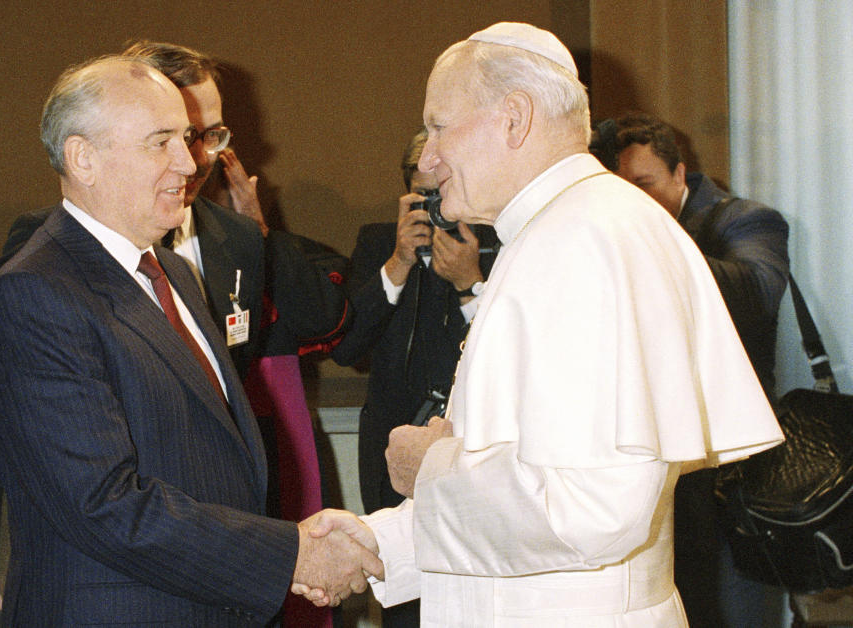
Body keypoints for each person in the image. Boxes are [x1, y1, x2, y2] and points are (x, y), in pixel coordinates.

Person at [294, 22, 783, 626]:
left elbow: (593, 509)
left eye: (440, 127)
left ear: (514, 118)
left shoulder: (586, 238)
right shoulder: (564, 228)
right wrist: (383, 544)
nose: (428, 157)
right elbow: (533, 483)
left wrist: (432, 469)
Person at [0, 54, 380, 625]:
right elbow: (103, 506)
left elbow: (202, 459)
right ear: (83, 158)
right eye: (160, 142)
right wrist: (291, 554)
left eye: (186, 139)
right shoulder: (37, 293)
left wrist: (283, 538)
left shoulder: (173, 274)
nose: (189, 162)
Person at [590, 113, 790, 627]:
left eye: (645, 186)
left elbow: (758, 292)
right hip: (646, 473)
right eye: (622, 191)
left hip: (730, 478)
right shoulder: (607, 237)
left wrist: (652, 238)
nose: (635, 201)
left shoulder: (747, 220)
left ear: (681, 175)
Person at [331, 128, 498, 627]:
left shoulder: (491, 241)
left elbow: (503, 348)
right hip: (388, 440)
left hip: (461, 445)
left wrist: (471, 283)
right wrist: (398, 264)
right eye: (421, 195)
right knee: (399, 587)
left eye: (439, 191)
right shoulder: (379, 242)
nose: (434, 206)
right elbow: (347, 346)